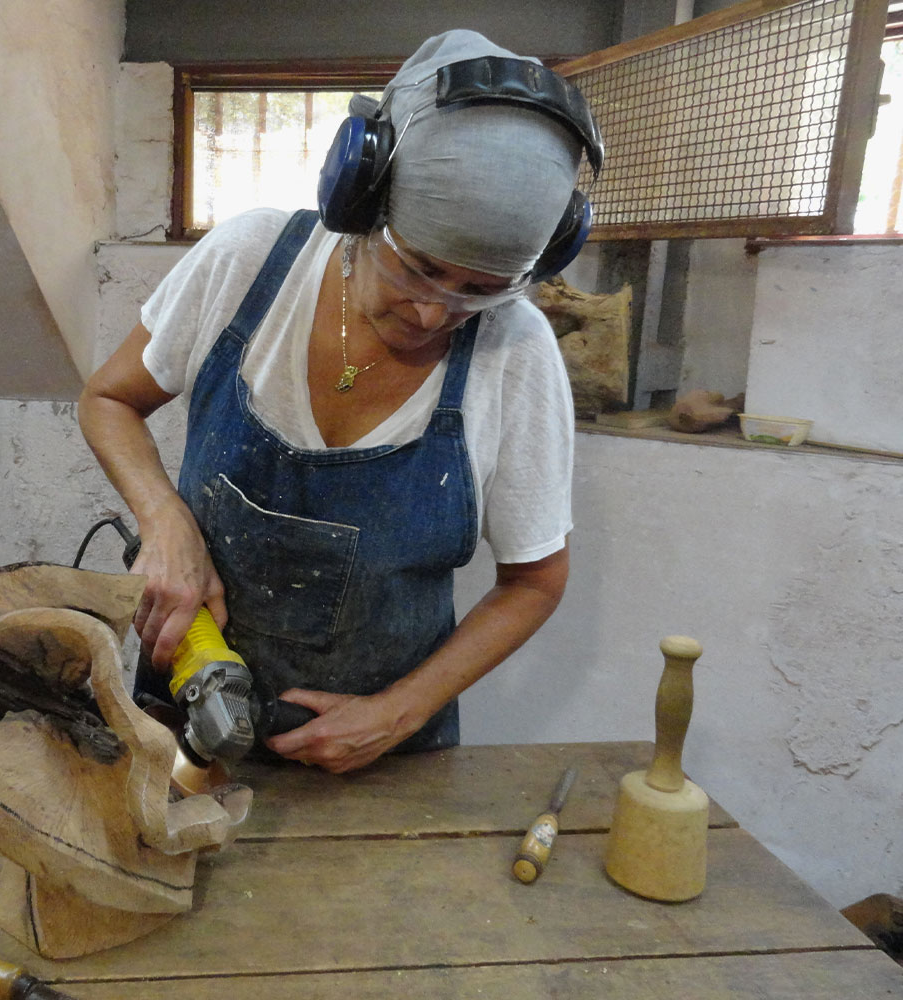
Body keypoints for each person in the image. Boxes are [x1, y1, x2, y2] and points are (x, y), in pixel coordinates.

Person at [78, 30, 599, 774]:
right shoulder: (250, 263)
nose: (434, 312)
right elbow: (109, 400)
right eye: (418, 268)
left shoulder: (516, 351)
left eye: (479, 291)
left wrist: (402, 711)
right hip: (184, 719)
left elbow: (535, 582)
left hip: (379, 754)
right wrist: (164, 520)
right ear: (363, 201)